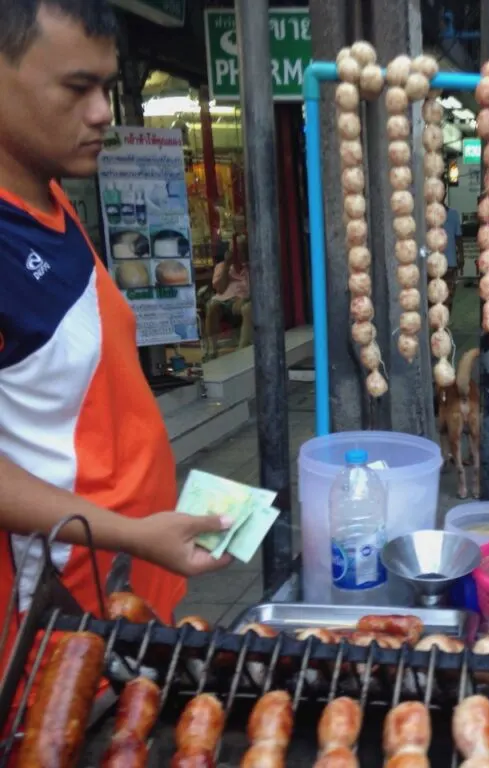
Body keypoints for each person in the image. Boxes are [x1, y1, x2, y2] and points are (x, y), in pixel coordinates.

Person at [0, 0, 233, 667]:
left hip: (128, 590)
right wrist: (132, 532)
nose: (104, 111)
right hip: (63, 620)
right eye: (78, 88)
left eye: (107, 85)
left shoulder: (49, 196)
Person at [204, 232, 252, 358]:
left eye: (242, 251)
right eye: (235, 251)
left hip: (241, 300)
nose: (238, 254)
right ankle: (212, 349)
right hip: (223, 300)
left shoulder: (251, 267)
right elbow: (220, 289)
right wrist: (226, 266)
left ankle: (243, 346)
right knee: (212, 307)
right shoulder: (221, 266)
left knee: (247, 308)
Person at [442, 194, 463, 311]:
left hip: (450, 262)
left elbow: (458, 238)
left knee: (449, 295)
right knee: (435, 295)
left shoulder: (453, 214)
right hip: (432, 264)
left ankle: (445, 322)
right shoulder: (428, 215)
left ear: (444, 193)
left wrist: (461, 256)